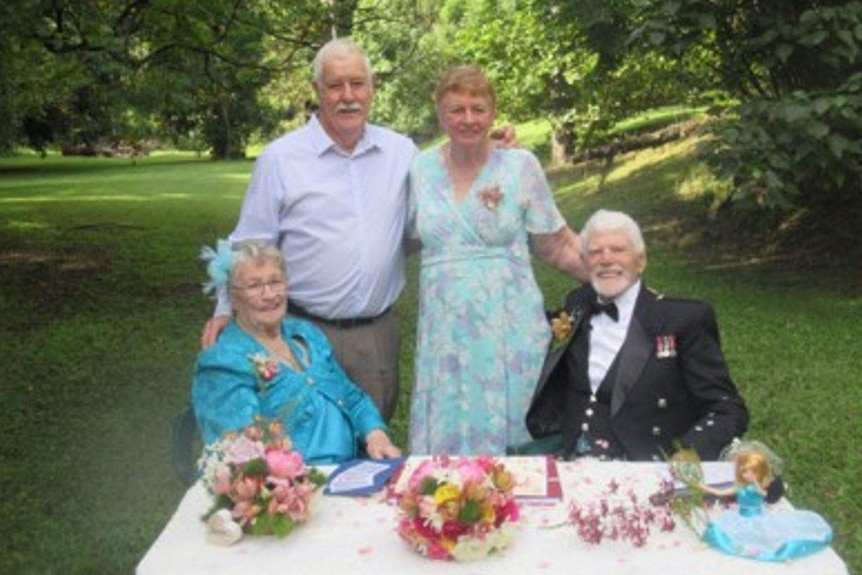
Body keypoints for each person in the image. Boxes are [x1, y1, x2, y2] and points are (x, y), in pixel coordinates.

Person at [199, 38, 418, 422]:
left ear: (372, 88)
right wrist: (224, 309)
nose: (348, 96)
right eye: (335, 86)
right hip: (300, 332)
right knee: (307, 444)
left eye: (357, 83)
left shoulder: (402, 153)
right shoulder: (281, 159)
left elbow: (435, 216)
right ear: (317, 90)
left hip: (376, 335)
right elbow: (251, 243)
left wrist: (492, 155)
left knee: (373, 446)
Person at [408, 65, 588, 456]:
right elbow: (397, 238)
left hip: (510, 327)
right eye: (457, 109)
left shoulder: (519, 166)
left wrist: (615, 279)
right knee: (448, 449)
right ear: (440, 113)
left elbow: (556, 244)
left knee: (516, 440)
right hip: (446, 335)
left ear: (493, 112)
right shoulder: (420, 170)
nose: (468, 119)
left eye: (479, 108)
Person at [525, 209, 749, 461]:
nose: (606, 259)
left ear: (641, 261)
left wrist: (687, 456)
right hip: (568, 457)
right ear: (586, 263)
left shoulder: (683, 320)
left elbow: (726, 408)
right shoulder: (577, 306)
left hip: (644, 466)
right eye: (595, 251)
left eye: (618, 249)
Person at [192, 239, 401, 465]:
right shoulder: (223, 361)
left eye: (276, 282)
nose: (269, 294)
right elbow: (240, 452)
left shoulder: (304, 334)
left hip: (348, 469)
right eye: (254, 286)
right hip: (290, 487)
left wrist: (375, 434)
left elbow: (352, 396)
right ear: (233, 297)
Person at [700, 441, 833, 561]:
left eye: (748, 471)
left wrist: (756, 482)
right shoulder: (740, 486)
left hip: (757, 517)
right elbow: (720, 492)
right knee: (723, 531)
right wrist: (704, 486)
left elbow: (763, 493)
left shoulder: (758, 487)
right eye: (742, 471)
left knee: (764, 537)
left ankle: (779, 552)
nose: (744, 474)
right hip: (740, 516)